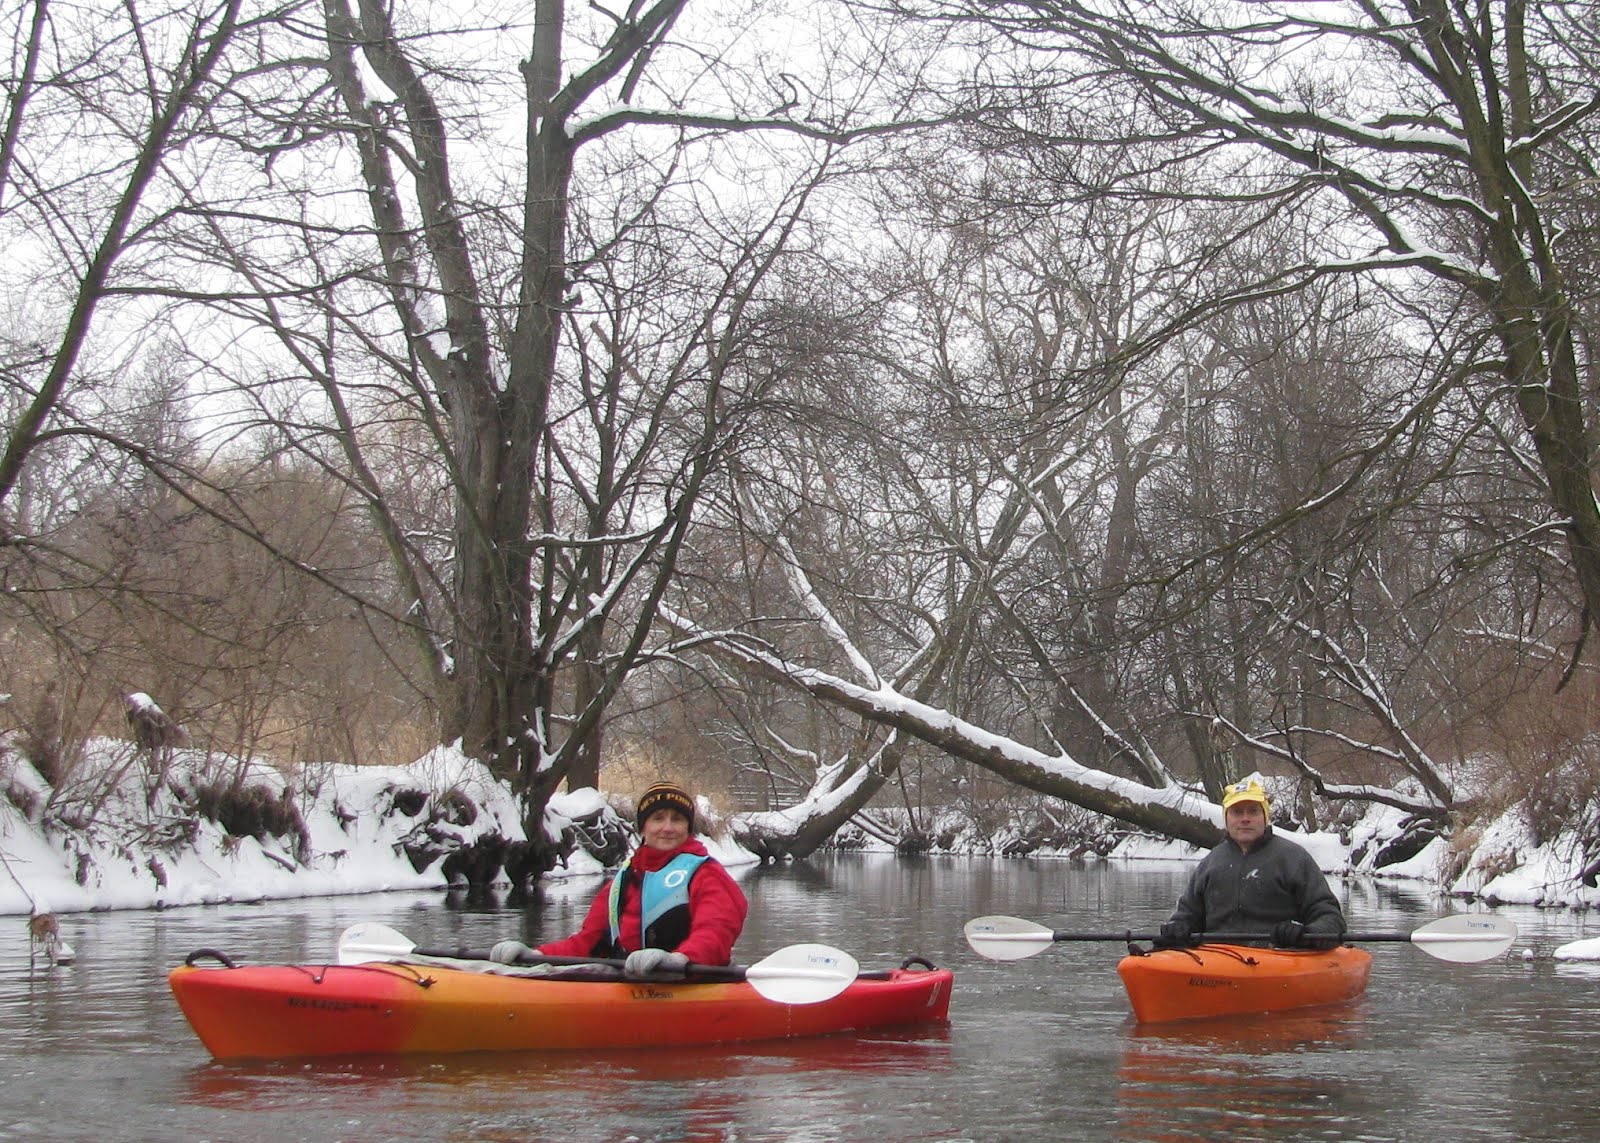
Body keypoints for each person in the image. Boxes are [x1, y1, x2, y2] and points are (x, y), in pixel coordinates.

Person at [490, 781, 748, 979]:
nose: (667, 828)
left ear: (688, 829)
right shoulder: (625, 879)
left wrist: (679, 960)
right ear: (643, 828)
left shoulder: (708, 875)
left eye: (677, 820)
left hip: (691, 982)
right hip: (633, 983)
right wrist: (536, 955)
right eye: (658, 818)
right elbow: (587, 942)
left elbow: (715, 933)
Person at [1157, 776, 1347, 950]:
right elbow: (1187, 915)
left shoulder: (1294, 858)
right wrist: (1178, 927)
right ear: (1226, 819)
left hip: (1280, 957)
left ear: (1265, 817)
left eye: (1253, 811)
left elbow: (1331, 918)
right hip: (1216, 959)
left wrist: (1306, 933)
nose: (1245, 819)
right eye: (1237, 812)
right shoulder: (1210, 863)